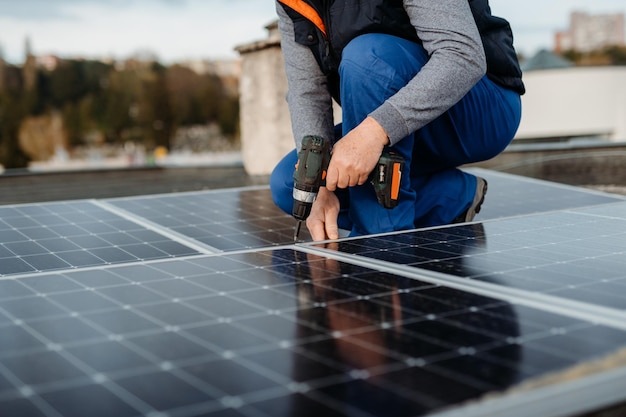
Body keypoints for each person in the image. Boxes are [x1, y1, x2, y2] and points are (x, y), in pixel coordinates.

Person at [270, 0, 525, 241]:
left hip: (479, 111)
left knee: (369, 57)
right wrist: (317, 178)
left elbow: (461, 55)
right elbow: (307, 90)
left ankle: (383, 243)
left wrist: (374, 132)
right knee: (290, 186)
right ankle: (450, 197)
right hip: (400, 121)